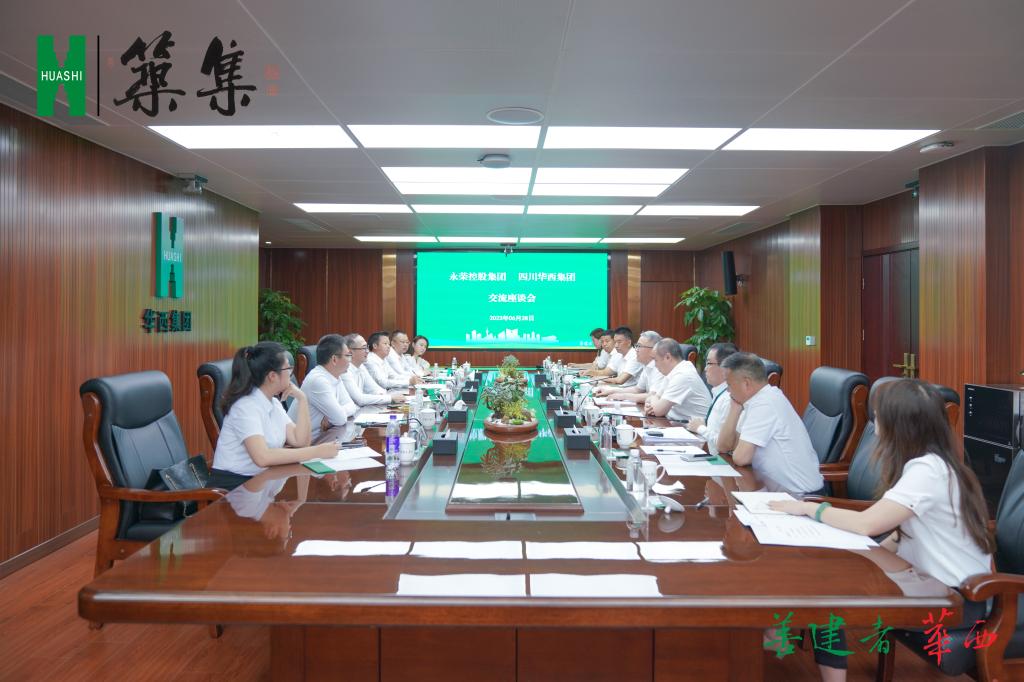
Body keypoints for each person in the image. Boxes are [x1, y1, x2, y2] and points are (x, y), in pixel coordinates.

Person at [768, 379, 994, 682]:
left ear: (901, 426)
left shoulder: (928, 471)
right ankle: (776, 636)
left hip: (955, 601)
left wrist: (811, 509)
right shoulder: (933, 464)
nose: (875, 430)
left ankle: (780, 643)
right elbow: (900, 533)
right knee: (825, 580)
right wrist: (854, 560)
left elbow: (868, 524)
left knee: (826, 598)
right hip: (929, 585)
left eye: (879, 420)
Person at [211, 342, 338, 488]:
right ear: (272, 376)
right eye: (288, 368)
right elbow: (262, 457)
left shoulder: (273, 403)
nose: (291, 373)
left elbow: (300, 441)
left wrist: (302, 399)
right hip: (235, 487)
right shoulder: (245, 407)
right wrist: (316, 452)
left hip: (262, 481)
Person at [716, 352, 824, 494]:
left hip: (800, 496)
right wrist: (734, 409)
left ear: (746, 383)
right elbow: (724, 446)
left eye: (729, 384)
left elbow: (741, 457)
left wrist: (736, 448)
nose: (727, 390)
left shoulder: (765, 403)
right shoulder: (755, 401)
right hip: (775, 490)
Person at [289, 334, 358, 441]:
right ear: (334, 359)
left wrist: (332, 418)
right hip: (305, 443)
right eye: (348, 355)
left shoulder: (334, 375)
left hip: (323, 437)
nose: (350, 359)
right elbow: (340, 419)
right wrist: (336, 416)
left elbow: (351, 406)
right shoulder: (318, 380)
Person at [685, 342, 739, 455]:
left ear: (725, 368)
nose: (705, 369)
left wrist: (700, 428)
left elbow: (725, 445)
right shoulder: (719, 392)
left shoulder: (729, 399)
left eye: (709, 363)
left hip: (723, 461)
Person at [644, 338, 711, 422]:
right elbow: (652, 398)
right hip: (677, 423)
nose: (655, 365)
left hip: (692, 427)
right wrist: (652, 403)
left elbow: (658, 410)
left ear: (668, 357)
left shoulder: (683, 375)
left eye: (656, 360)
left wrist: (653, 402)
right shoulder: (673, 372)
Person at [595, 330, 664, 401]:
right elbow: (637, 389)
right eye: (636, 346)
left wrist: (624, 396)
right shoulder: (646, 365)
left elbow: (653, 396)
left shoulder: (660, 368)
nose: (636, 349)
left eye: (639, 346)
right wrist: (611, 391)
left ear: (654, 349)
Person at [341, 333, 406, 406]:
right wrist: (390, 398)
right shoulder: (344, 370)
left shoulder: (361, 366)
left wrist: (386, 395)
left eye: (367, 347)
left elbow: (374, 388)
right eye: (363, 348)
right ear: (350, 352)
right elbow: (360, 399)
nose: (367, 351)